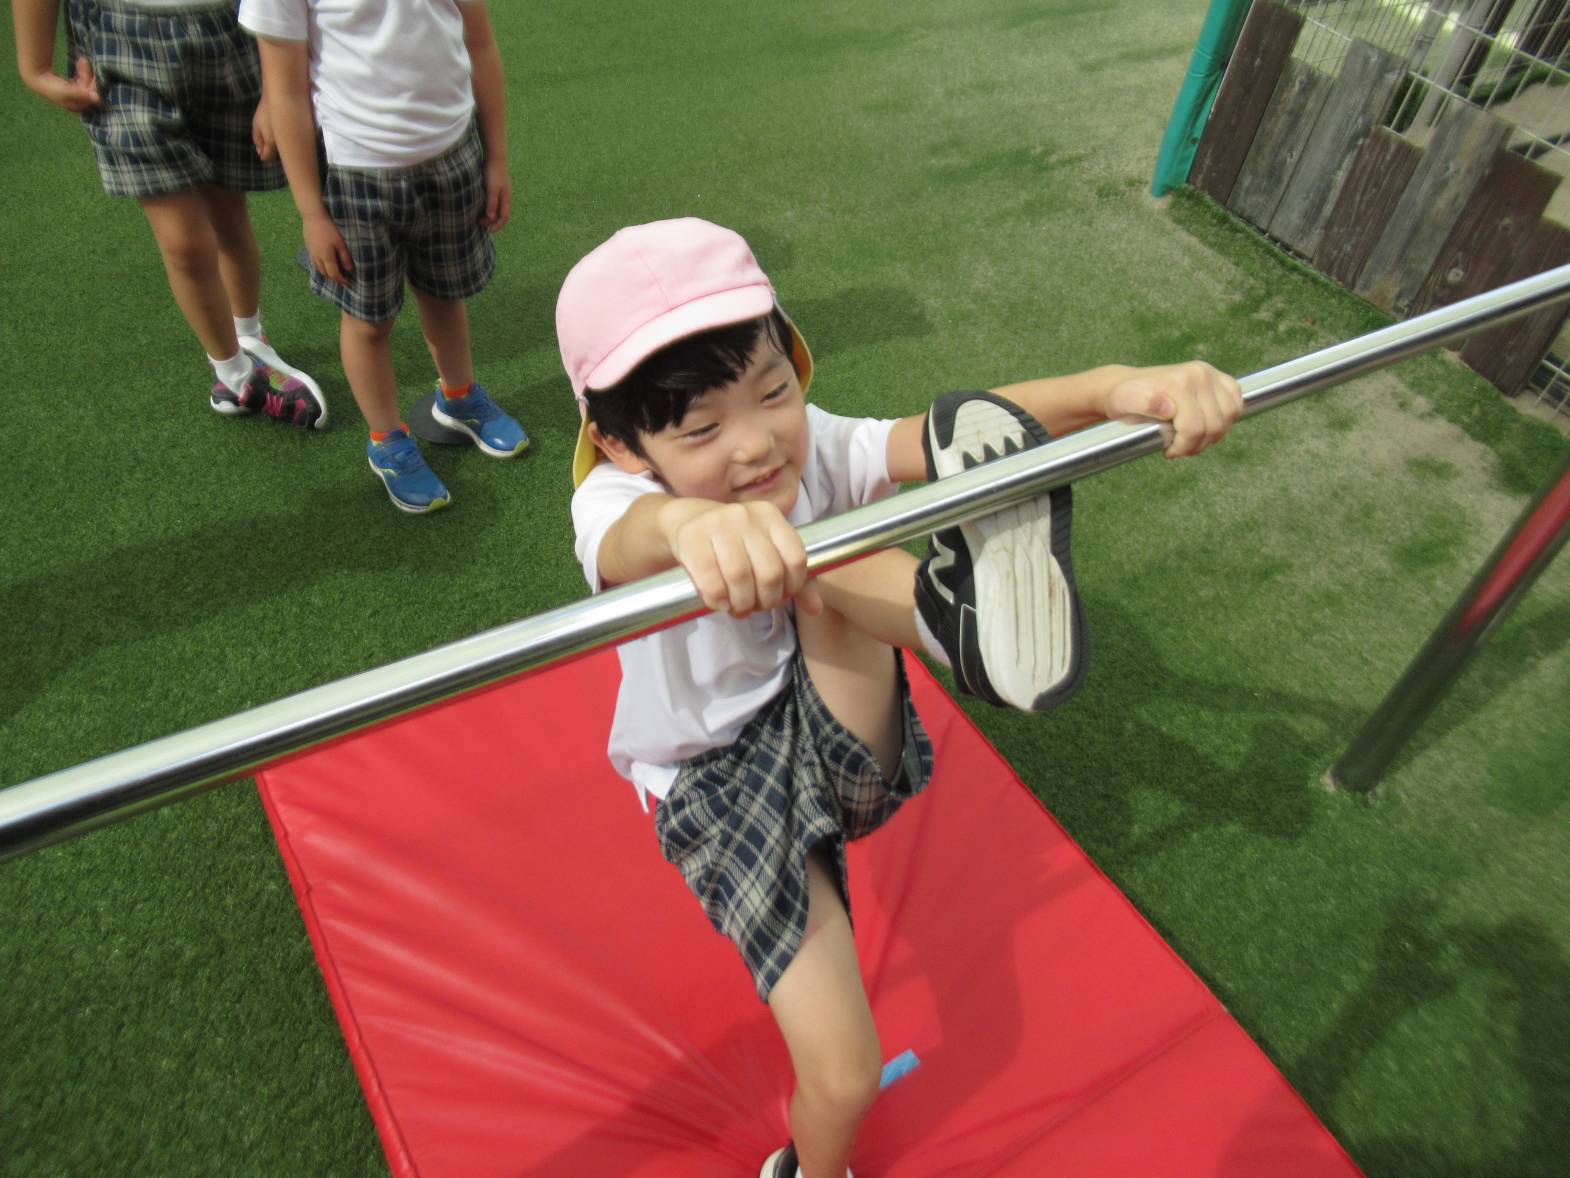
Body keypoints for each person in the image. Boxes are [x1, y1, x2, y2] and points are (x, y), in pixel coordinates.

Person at [556, 217, 1244, 1178]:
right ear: (619, 444)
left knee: (826, 542)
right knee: (843, 1078)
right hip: (717, 786)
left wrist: (1119, 389)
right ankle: (812, 1172)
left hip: (835, 716)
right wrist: (686, 528)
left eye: (775, 392)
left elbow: (952, 434)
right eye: (703, 429)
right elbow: (626, 541)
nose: (757, 444)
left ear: (795, 366)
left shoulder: (808, 447)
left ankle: (958, 623)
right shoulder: (618, 501)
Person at [240, 0, 528, 514]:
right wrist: (312, 213)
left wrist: (498, 158)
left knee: (445, 293)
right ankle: (387, 438)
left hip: (453, 156)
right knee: (369, 321)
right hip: (357, 175)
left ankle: (458, 396)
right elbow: (286, 92)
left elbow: (480, 43)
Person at [13, 0, 327, 427]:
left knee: (229, 212)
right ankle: (236, 375)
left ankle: (249, 337)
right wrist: (34, 67)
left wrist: (277, 87)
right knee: (185, 243)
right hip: (120, 45)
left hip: (226, 30)